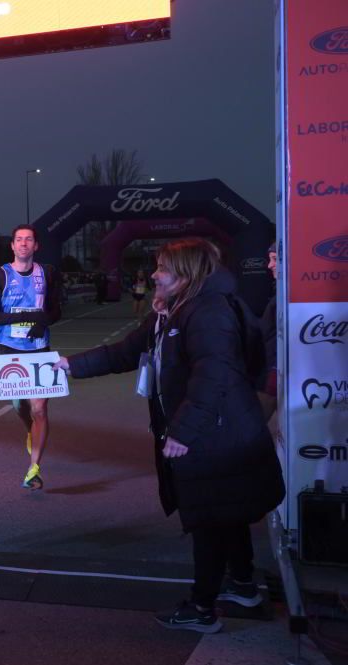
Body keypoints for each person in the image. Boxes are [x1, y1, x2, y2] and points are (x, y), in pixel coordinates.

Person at [55, 237, 284, 634]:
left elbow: (216, 374)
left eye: (161, 267)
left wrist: (184, 430)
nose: (154, 274)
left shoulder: (208, 312)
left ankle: (202, 608)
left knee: (208, 520)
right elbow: (125, 352)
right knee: (226, 514)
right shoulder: (175, 310)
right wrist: (71, 365)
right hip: (216, 430)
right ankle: (244, 585)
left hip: (215, 434)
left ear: (185, 274)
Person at [0, 224, 61, 490]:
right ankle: (30, 430)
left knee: (40, 408)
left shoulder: (47, 273)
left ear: (36, 246)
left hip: (39, 348)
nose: (24, 243)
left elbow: (55, 310)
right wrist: (25, 317)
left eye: (29, 239)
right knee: (21, 407)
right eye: (19, 239)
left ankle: (34, 469)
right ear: (13, 246)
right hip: (10, 350)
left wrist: (43, 322)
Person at [258, 242, 278, 418]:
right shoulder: (279, 294)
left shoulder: (286, 299)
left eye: (274, 259)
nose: (269, 265)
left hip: (276, 372)